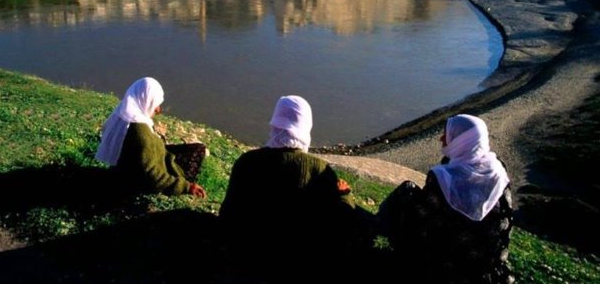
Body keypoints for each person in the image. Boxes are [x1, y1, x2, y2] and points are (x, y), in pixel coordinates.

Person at [220, 95, 360, 267]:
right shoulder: (320, 169)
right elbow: (342, 223)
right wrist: (344, 195)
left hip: (245, 254)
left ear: (275, 122)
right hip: (299, 259)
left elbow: (228, 214)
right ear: (306, 125)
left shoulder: (247, 161)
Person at [376, 114, 513, 283]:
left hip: (445, 265)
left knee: (407, 190)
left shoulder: (445, 177)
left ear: (461, 141)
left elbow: (422, 218)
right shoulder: (498, 173)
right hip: (485, 266)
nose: (442, 138)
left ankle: (374, 229)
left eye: (449, 135)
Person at [95, 77, 207, 198]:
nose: (159, 110)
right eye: (155, 104)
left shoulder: (125, 115)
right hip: (138, 182)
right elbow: (151, 175)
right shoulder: (139, 132)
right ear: (145, 100)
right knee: (197, 152)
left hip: (132, 168)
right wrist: (187, 187)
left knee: (196, 148)